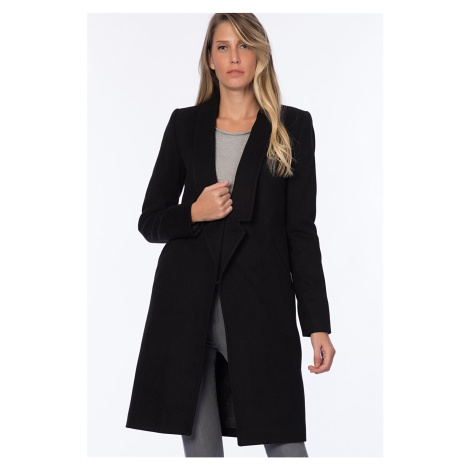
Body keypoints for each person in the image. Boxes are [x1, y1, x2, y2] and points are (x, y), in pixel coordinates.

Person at [126, 13, 336, 457]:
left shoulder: (292, 126)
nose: (234, 57)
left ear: (260, 55)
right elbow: (150, 220)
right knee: (200, 448)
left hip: (262, 307)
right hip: (184, 306)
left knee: (285, 441)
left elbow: (301, 231)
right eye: (223, 47)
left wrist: (316, 324)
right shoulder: (184, 125)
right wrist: (194, 212)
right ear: (210, 58)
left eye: (244, 46)